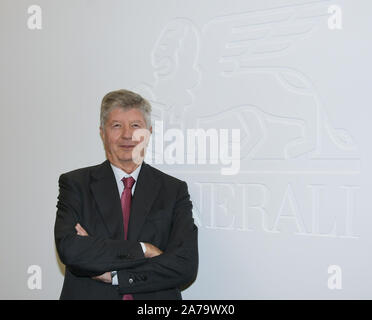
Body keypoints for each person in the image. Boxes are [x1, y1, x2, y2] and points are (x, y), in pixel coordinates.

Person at [54, 89, 198, 300]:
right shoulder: (75, 184)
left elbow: (185, 266)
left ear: (148, 133)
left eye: (135, 126)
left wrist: (115, 275)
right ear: (102, 132)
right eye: (116, 125)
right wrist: (144, 250)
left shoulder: (174, 190)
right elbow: (71, 250)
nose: (127, 135)